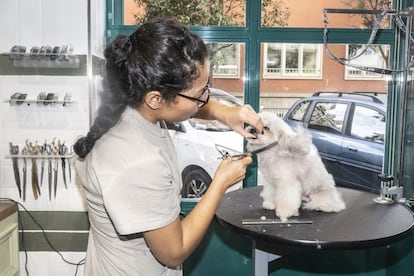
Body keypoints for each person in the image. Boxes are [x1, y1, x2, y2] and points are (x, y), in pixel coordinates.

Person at [74, 17, 263, 276]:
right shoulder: (136, 161)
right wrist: (220, 182)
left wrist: (226, 113)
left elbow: (186, 106)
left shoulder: (133, 107)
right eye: (200, 94)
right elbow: (174, 250)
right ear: (155, 98)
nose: (207, 97)